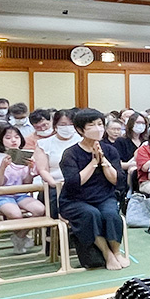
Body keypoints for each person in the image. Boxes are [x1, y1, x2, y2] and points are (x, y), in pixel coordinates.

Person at [58, 109, 127, 270]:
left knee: (111, 214)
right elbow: (74, 183)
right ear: (80, 130)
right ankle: (106, 253)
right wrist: (94, 162)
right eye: (91, 125)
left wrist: (103, 161)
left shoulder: (110, 150)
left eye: (100, 124)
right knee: (91, 214)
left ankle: (116, 252)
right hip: (74, 200)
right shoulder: (70, 153)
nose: (98, 128)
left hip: (104, 197)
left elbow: (118, 180)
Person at [0, 125, 46, 253]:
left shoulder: (24, 156)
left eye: (17, 137)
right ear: (1, 140)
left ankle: (19, 236)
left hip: (20, 194)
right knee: (15, 215)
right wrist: (3, 167)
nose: (13, 140)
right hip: (2, 195)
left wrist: (30, 169)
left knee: (40, 210)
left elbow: (27, 183)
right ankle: (20, 238)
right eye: (8, 138)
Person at [34, 109, 81, 218]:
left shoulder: (81, 141)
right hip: (54, 184)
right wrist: (55, 184)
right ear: (55, 125)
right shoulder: (44, 144)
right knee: (54, 197)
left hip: (78, 182)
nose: (67, 128)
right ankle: (54, 226)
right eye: (63, 124)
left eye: (71, 124)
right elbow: (43, 170)